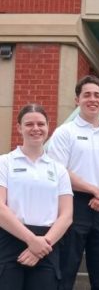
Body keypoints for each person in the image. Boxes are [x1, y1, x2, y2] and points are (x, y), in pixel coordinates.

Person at [47, 76, 99, 290]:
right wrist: (96, 191)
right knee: (64, 271)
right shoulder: (65, 132)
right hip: (72, 206)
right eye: (87, 95)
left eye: (97, 95)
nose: (92, 99)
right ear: (77, 100)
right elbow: (59, 171)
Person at [0, 104, 73, 290]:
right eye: (29, 124)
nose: (36, 128)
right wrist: (32, 241)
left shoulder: (59, 169)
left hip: (48, 242)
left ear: (48, 126)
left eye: (41, 124)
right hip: (10, 239)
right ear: (19, 128)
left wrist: (42, 245)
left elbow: (66, 215)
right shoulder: (4, 162)